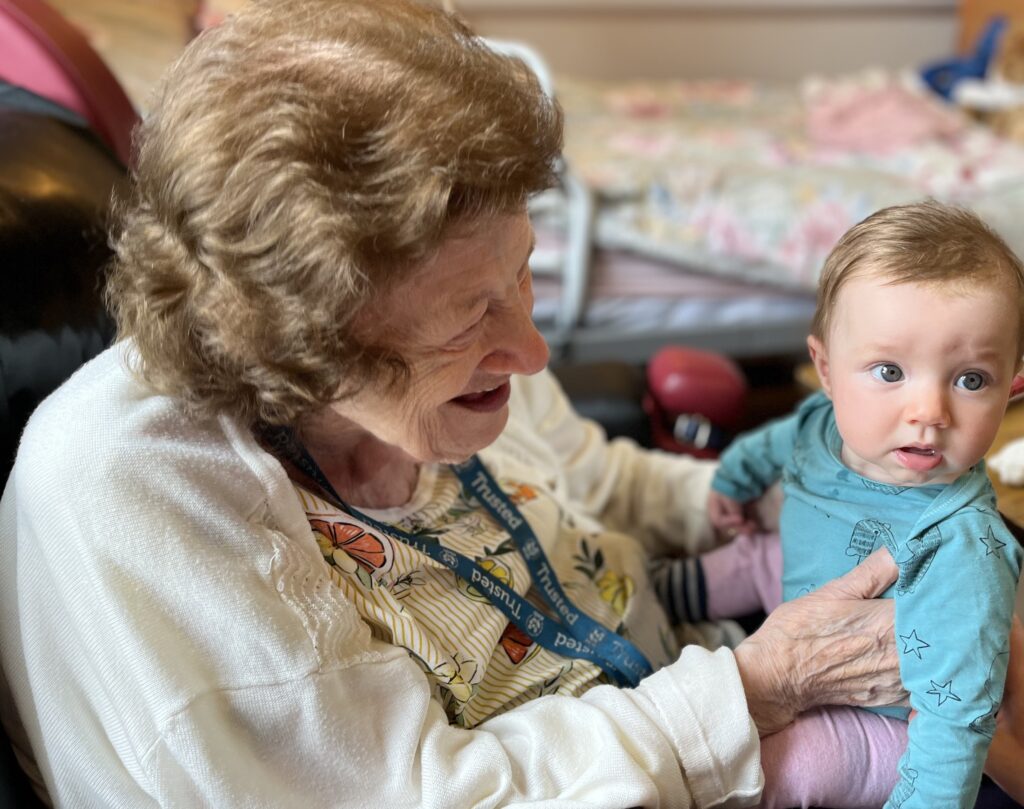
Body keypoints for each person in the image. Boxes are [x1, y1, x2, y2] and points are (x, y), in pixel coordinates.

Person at [0, 2, 1002, 806]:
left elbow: (598, 476)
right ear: (299, 342)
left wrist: (751, 503)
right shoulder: (133, 495)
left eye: (521, 276)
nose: (526, 350)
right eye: (469, 318)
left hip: (678, 675)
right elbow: (418, 790)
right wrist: (757, 688)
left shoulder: (454, 326)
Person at [656, 202, 1024, 808]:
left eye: (970, 380)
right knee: (749, 556)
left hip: (882, 721)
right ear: (826, 371)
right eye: (889, 370)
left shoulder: (963, 549)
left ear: (1012, 385)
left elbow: (955, 724)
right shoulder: (821, 427)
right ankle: (658, 603)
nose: (929, 411)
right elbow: (772, 444)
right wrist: (734, 482)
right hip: (805, 590)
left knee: (777, 762)